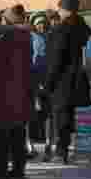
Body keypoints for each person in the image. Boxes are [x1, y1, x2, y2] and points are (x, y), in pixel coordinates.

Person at [43, 0, 91, 164]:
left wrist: (48, 83)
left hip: (62, 81)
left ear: (64, 9)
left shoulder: (61, 30)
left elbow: (55, 59)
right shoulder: (84, 28)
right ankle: (77, 150)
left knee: (61, 116)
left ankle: (60, 151)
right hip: (80, 79)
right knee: (74, 116)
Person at [0, 4, 32, 179]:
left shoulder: (8, 39)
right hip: (21, 91)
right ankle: (18, 169)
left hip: (4, 91)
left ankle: (1, 169)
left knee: (1, 133)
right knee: (18, 132)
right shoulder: (26, 37)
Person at [27, 13, 50, 154]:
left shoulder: (49, 37)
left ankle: (48, 142)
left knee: (47, 113)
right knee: (30, 112)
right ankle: (29, 143)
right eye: (38, 23)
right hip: (32, 78)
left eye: (42, 23)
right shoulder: (30, 38)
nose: (40, 26)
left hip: (46, 79)